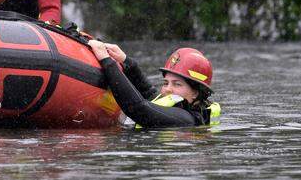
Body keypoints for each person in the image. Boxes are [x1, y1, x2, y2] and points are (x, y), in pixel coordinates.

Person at [88, 40, 221, 128]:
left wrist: (107, 62)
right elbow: (149, 93)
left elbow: (139, 109)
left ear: (195, 93)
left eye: (177, 84)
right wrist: (125, 61)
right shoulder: (180, 106)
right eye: (165, 83)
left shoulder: (186, 120)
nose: (168, 89)